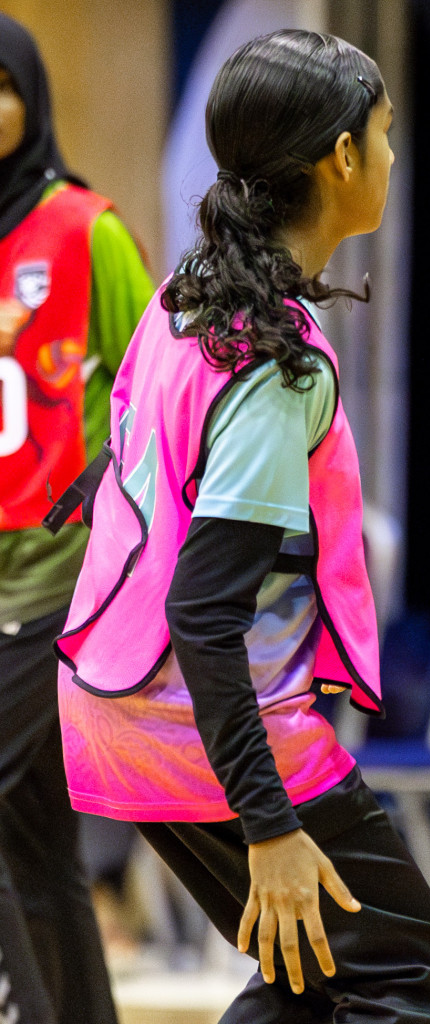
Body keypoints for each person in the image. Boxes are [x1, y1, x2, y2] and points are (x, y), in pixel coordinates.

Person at [49, 30, 430, 1023]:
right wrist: (269, 824)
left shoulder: (183, 300)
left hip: (114, 709)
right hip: (199, 720)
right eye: (387, 134)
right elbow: (203, 607)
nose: (395, 160)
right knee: (405, 969)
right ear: (342, 158)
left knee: (307, 977)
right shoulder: (274, 361)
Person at [0, 12, 155, 1023]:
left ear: (31, 98)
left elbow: (155, 394)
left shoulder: (85, 228)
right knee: (37, 849)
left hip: (57, 582)